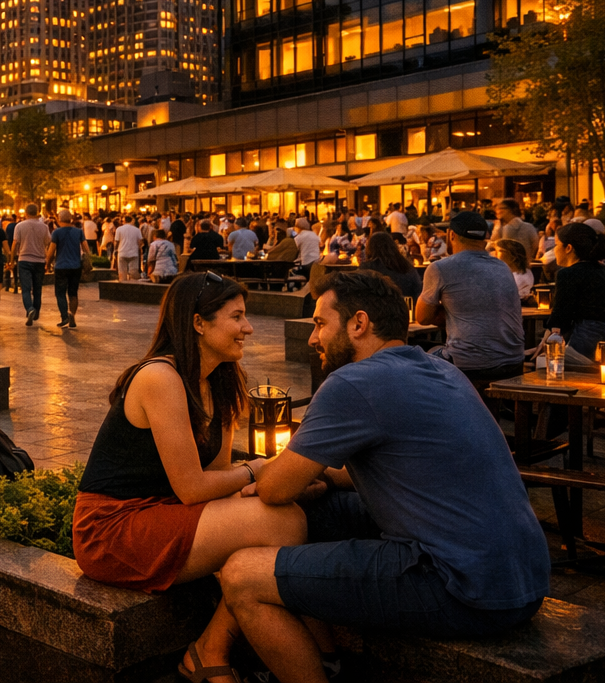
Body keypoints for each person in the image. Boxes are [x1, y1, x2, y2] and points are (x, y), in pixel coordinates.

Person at [218, 272, 549, 682]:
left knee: (241, 575)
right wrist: (325, 479)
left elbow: (273, 487)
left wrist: (260, 475)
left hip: (461, 585)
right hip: (524, 575)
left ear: (359, 323)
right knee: (313, 512)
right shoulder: (440, 368)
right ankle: (324, 657)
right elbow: (414, 468)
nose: (312, 338)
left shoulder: (354, 382)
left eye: (321, 324)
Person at [75, 272, 305, 681]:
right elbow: (193, 487)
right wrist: (257, 468)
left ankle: (213, 646)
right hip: (111, 528)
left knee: (283, 507)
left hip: (165, 512)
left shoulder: (220, 381)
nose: (248, 328)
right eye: (237, 317)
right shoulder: (159, 378)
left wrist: (271, 481)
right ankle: (211, 648)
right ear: (199, 323)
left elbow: (216, 481)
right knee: (285, 521)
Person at [415, 210, 525, 391]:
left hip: (470, 366)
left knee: (413, 362)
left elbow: (422, 317)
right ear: (485, 238)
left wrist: (446, 311)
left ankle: (439, 418)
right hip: (514, 361)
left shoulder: (441, 268)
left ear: (451, 235)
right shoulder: (502, 266)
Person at [549, 222, 605, 358]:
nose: (553, 250)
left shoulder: (568, 274)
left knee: (543, 363)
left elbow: (561, 319)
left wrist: (548, 336)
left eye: (556, 245)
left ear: (568, 248)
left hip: (589, 350)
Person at [12, 203, 53, 325]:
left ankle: (29, 309)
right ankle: (36, 312)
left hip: (24, 259)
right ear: (37, 212)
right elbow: (48, 242)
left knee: (25, 289)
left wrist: (11, 259)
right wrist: (48, 259)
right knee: (37, 289)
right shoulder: (44, 227)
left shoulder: (19, 226)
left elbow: (15, 244)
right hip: (39, 260)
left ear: (26, 213)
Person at [359, 231, 422, 299]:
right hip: (405, 306)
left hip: (375, 307)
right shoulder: (406, 266)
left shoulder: (366, 269)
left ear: (370, 248)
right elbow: (418, 291)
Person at [50, 208, 85, 328]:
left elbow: (51, 250)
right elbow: (86, 249)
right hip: (76, 266)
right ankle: (72, 315)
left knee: (60, 293)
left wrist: (47, 263)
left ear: (59, 219)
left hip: (61, 266)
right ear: (71, 219)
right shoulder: (79, 232)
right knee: (73, 293)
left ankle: (64, 316)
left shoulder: (56, 233)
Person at [115, 214, 143, 282]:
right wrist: (139, 249)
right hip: (134, 253)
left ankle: (122, 284)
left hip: (122, 252)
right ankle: (132, 286)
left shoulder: (119, 229)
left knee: (122, 272)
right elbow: (140, 242)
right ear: (132, 221)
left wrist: (115, 250)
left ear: (123, 221)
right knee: (133, 272)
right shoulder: (137, 230)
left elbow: (116, 241)